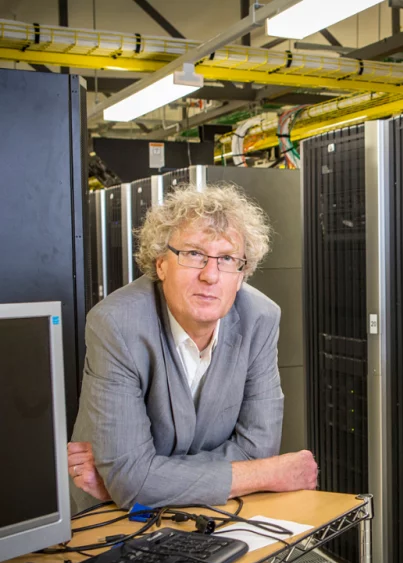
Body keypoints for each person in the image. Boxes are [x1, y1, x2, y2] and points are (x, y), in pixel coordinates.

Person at [68, 184, 317, 513]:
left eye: (227, 258)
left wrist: (146, 477)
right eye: (194, 254)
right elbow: (131, 482)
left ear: (242, 275)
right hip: (111, 518)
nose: (211, 275)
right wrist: (264, 474)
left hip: (214, 513)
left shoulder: (260, 318)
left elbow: (259, 449)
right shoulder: (116, 324)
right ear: (161, 264)